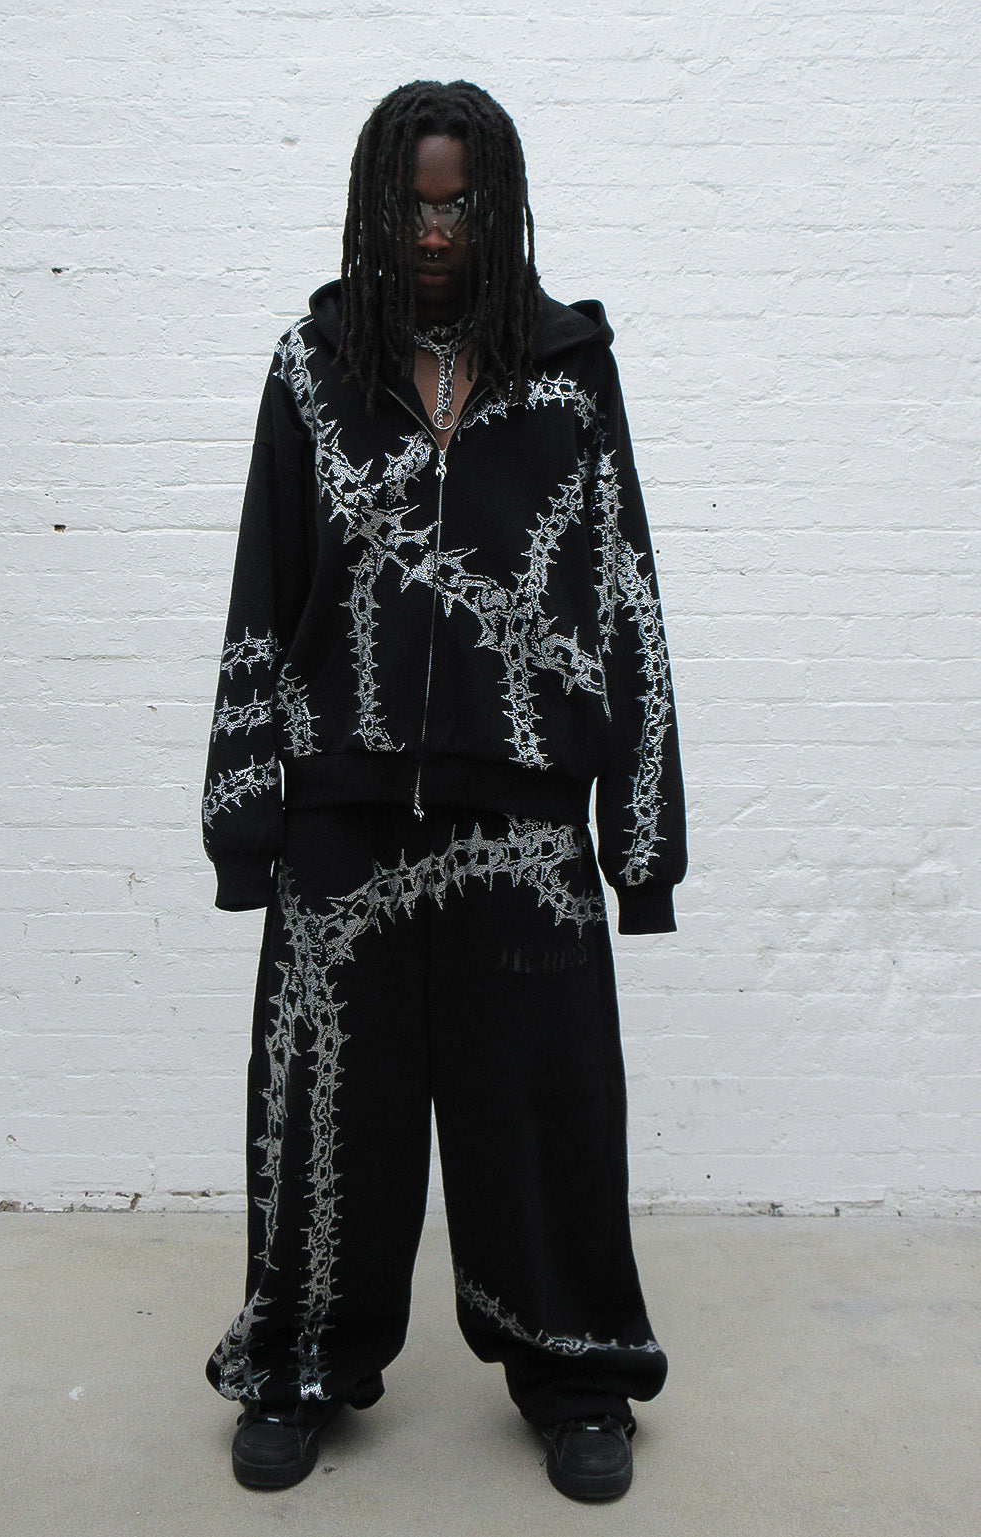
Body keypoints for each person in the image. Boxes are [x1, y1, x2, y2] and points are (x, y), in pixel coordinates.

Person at [200, 79, 686, 1504]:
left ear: (500, 205)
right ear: (373, 205)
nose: (434, 230)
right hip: (338, 809)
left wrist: (640, 838)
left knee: (546, 1110)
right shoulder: (314, 368)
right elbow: (264, 583)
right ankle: (297, 1360)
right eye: (412, 204)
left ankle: (577, 1369)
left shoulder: (570, 372)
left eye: (460, 203)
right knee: (321, 1113)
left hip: (522, 817)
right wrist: (246, 813)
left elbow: (625, 595)